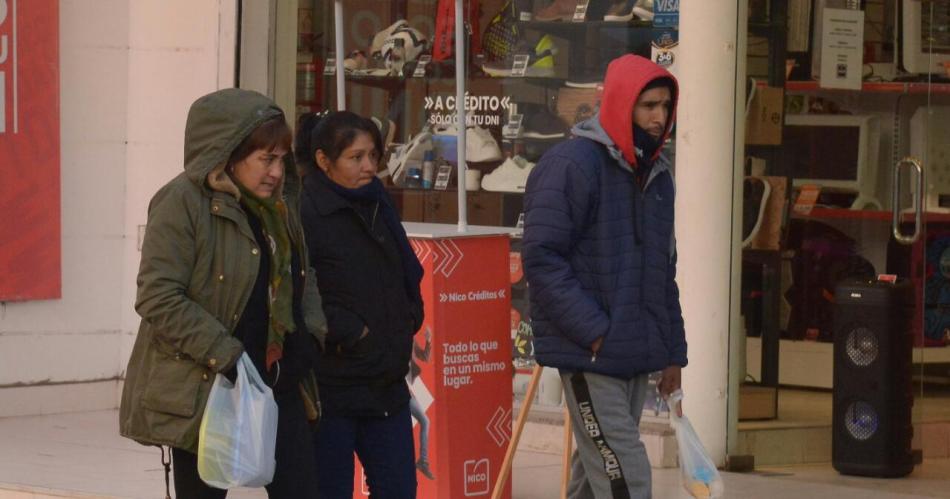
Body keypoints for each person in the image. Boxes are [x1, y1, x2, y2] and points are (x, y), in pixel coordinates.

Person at [119, 88, 321, 498]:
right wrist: (228, 356)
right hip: (208, 387)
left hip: (279, 383)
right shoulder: (182, 202)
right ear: (228, 153)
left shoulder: (279, 207)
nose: (276, 172)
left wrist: (311, 334)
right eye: (266, 159)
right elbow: (158, 296)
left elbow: (304, 272)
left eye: (281, 159)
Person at [522, 54, 688, 499]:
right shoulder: (572, 165)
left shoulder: (657, 174)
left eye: (666, 106)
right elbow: (540, 257)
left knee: (598, 473)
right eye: (648, 106)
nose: (659, 117)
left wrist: (673, 352)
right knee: (626, 473)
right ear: (620, 103)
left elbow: (663, 270)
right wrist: (596, 333)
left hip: (632, 351)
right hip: (591, 353)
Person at [298, 111, 424, 498]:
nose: (370, 166)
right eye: (356, 157)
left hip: (385, 380)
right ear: (324, 161)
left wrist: (408, 316)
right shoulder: (305, 212)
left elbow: (404, 268)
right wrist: (354, 332)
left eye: (373, 155)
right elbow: (300, 293)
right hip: (331, 384)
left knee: (399, 488)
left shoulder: (376, 202)